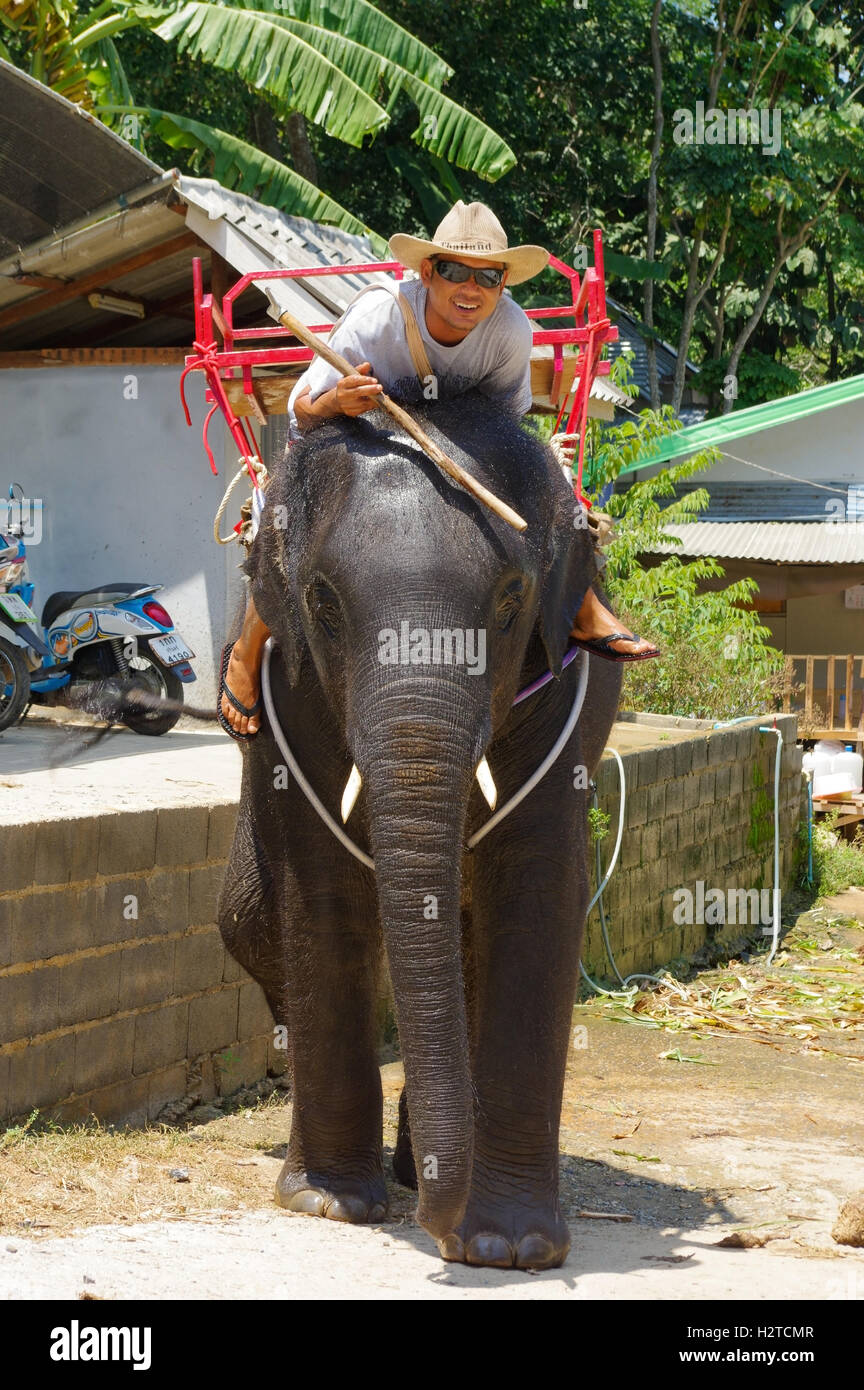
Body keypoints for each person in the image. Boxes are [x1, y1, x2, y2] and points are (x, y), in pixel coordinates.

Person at [219, 201, 658, 738]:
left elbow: (506, 430)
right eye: (454, 272)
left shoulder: (510, 332)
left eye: (488, 277)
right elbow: (302, 412)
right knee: (285, 519)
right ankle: (248, 647)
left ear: (503, 285)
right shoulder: (376, 318)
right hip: (360, 442)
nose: (470, 290)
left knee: (548, 483)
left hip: (461, 450)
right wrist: (340, 403)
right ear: (427, 272)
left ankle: (581, 603)